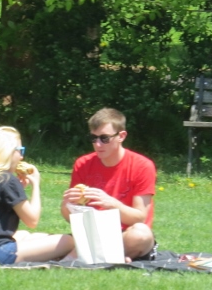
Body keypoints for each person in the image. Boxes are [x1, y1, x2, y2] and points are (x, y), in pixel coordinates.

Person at [0, 126, 74, 264]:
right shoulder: (6, 180)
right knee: (69, 241)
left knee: (24, 235)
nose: (22, 156)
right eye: (20, 150)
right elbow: (32, 220)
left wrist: (19, 191)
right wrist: (36, 185)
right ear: (7, 153)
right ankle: (64, 262)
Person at [61, 108, 157, 261]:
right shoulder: (83, 164)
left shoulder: (142, 166)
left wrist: (112, 204)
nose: (98, 144)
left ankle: (87, 256)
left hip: (125, 234)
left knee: (141, 234)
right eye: (94, 138)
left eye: (104, 138)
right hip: (92, 234)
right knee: (57, 241)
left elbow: (139, 218)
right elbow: (70, 218)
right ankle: (114, 257)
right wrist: (67, 205)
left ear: (121, 136)